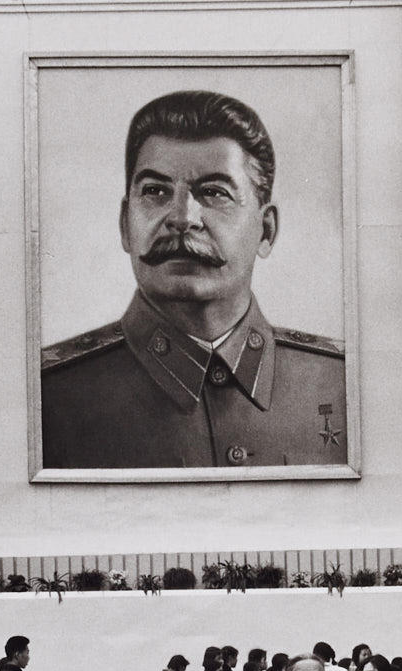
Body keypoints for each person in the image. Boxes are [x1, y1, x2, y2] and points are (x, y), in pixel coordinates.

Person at [41, 89, 346, 470]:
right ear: (125, 224)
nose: (182, 217)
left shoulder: (343, 385)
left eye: (214, 192)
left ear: (265, 231)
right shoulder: (46, 397)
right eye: (155, 191)